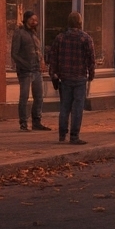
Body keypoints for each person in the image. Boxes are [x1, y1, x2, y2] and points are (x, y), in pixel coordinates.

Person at [46, 11, 95, 145]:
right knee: (77, 108)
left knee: (64, 107)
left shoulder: (60, 38)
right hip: (79, 77)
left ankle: (62, 134)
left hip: (65, 77)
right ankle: (74, 136)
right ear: (80, 23)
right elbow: (91, 59)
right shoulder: (86, 38)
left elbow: (53, 57)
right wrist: (91, 74)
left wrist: (54, 73)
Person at [10, 11, 50, 132]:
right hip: (25, 71)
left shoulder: (34, 33)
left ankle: (36, 121)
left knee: (39, 96)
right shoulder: (19, 33)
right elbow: (14, 53)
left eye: (36, 20)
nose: (34, 22)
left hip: (36, 69)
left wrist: (42, 61)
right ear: (26, 19)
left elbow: (38, 50)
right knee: (24, 97)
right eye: (32, 19)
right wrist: (24, 64)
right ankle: (23, 122)